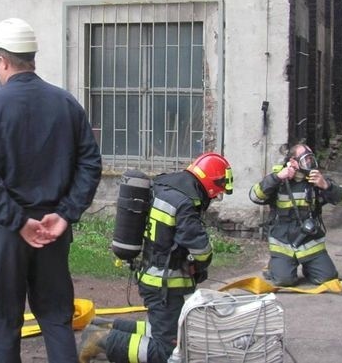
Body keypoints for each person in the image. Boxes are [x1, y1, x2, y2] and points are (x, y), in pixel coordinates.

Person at [0, 18, 102, 363]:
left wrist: (17, 221)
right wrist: (64, 215)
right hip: (53, 231)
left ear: (2, 61)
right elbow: (90, 165)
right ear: (32, 57)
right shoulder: (67, 104)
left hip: (6, 233)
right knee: (57, 318)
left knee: (1, 322)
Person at [77, 153, 234, 363]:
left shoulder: (164, 186)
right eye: (218, 192)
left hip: (152, 273)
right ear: (212, 183)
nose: (215, 198)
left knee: (160, 328)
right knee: (165, 351)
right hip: (165, 283)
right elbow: (201, 250)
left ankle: (106, 326)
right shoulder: (185, 203)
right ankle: (100, 339)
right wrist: (201, 265)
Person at [249, 143, 342, 287]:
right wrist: (277, 178)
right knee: (284, 281)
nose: (309, 163)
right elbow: (254, 196)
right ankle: (274, 267)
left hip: (309, 241)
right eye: (304, 159)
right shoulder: (278, 179)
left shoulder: (316, 180)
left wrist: (326, 186)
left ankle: (310, 268)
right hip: (283, 241)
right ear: (292, 162)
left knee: (328, 278)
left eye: (310, 159)